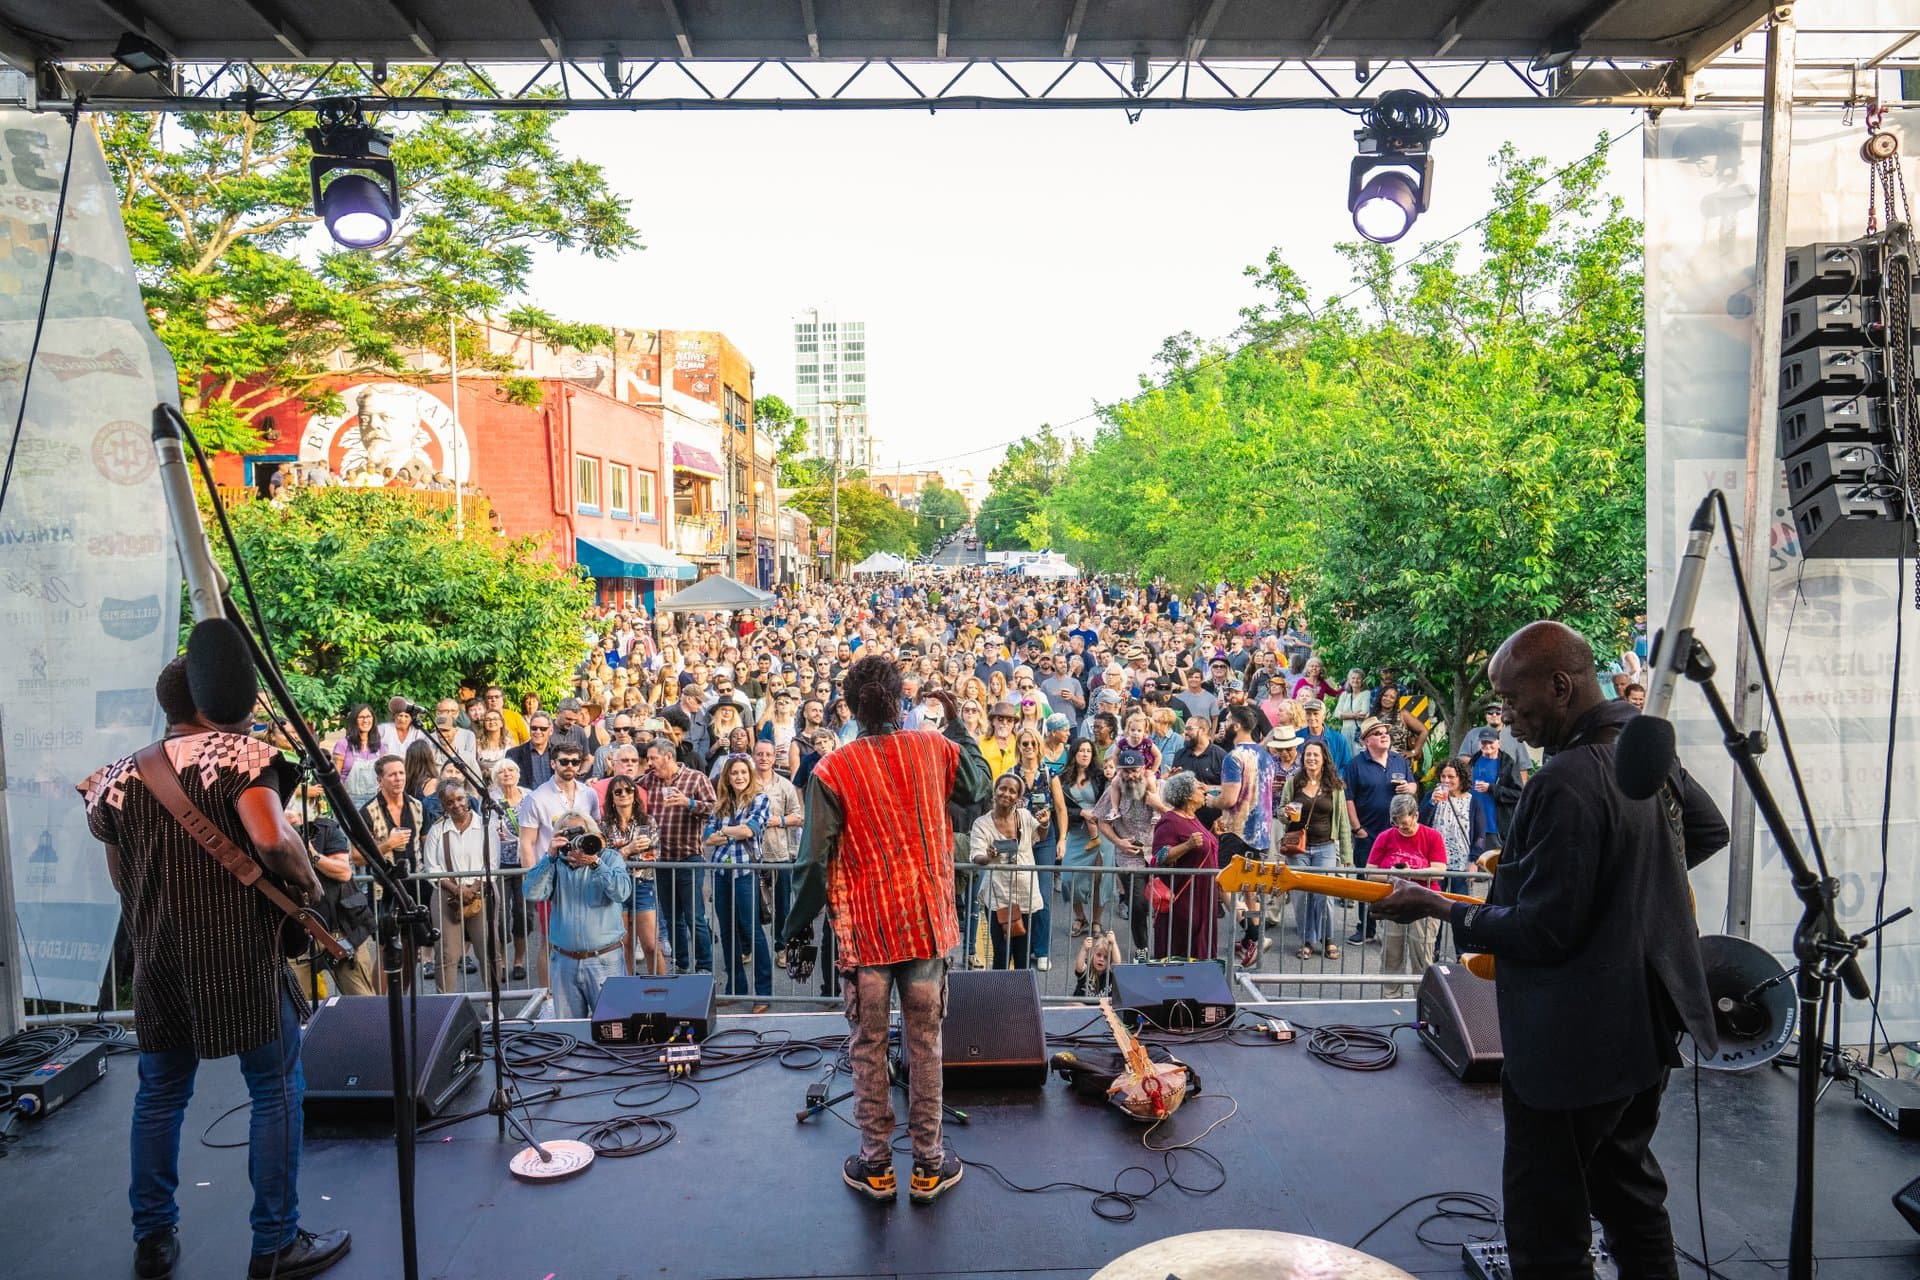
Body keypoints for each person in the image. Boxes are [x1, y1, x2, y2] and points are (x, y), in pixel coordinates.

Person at [1372, 620, 1730, 1278]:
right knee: (1628, 1193)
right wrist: (1622, 887)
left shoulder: (1563, 780)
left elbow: (1543, 931)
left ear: (1561, 686)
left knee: (1547, 1219)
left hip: (1576, 1043)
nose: (1507, 719)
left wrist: (1438, 904)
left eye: (1513, 700)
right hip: (1646, 1024)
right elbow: (1706, 829)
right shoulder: (1640, 748)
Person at [85, 655, 349, 1280]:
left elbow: (121, 877)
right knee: (276, 1091)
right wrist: (308, 882)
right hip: (239, 956)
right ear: (216, 694)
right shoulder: (242, 758)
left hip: (160, 958)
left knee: (159, 1095)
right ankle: (275, 1244)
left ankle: (152, 1240)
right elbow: (270, 838)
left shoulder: (116, 776)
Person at [778, 660, 990, 1204]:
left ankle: (876, 1167)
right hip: (923, 927)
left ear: (849, 704)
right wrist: (958, 724)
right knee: (925, 1045)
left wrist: (793, 928)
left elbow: (812, 861)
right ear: (901, 702)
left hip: (866, 934)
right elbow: (978, 785)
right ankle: (928, 1165)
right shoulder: (933, 747)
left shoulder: (831, 769)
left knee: (867, 1047)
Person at [523, 810, 631, 1018]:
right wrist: (549, 857)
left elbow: (622, 892)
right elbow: (531, 892)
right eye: (569, 835)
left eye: (579, 834)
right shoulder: (554, 863)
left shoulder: (609, 858)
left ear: (592, 834)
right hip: (565, 962)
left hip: (604, 960)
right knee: (570, 1032)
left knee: (613, 1025)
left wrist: (595, 864)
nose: (575, 842)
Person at [639, 737, 717, 976]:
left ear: (669, 757)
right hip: (661, 860)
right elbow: (622, 788)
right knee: (673, 918)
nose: (649, 763)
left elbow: (715, 808)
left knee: (695, 916)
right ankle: (682, 965)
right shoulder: (648, 780)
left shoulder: (695, 778)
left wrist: (689, 802)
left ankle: (704, 967)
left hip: (689, 857)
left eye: (653, 758)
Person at [703, 754, 774, 1010]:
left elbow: (749, 830)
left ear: (750, 774)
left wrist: (723, 833)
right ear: (728, 777)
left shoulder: (760, 799)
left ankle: (764, 993)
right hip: (722, 873)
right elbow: (707, 837)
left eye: (743, 772)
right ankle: (736, 986)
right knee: (727, 931)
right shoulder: (721, 803)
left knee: (753, 932)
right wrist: (727, 833)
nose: (739, 777)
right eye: (734, 773)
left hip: (746, 873)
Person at [1342, 717, 1417, 946]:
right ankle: (1366, 928)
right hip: (1369, 833)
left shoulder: (1398, 760)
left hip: (1397, 833)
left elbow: (1413, 785)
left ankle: (1392, 930)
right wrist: (1357, 828)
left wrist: (1409, 788)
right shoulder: (1356, 764)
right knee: (1367, 882)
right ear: (1366, 741)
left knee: (1397, 879)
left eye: (1385, 732)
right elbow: (1349, 799)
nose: (1384, 735)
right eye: (1377, 733)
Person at [421, 779, 501, 992]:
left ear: (467, 798)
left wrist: (473, 889)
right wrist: (457, 889)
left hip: (481, 892)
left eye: (460, 799)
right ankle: (446, 1004)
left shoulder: (485, 826)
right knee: (446, 952)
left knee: (488, 949)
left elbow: (491, 863)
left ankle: (493, 1003)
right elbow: (432, 868)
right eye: (450, 801)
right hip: (446, 893)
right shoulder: (437, 831)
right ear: (443, 805)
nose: (456, 805)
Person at [1366, 794, 1446, 998]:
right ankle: (1389, 999)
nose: (1401, 828)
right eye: (1396, 824)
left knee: (1422, 956)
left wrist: (1412, 873)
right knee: (1391, 955)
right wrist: (1392, 875)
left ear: (1416, 815)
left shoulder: (1432, 836)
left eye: (1405, 824)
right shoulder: (1385, 836)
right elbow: (1369, 871)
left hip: (1425, 905)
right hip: (1393, 903)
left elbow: (1439, 871)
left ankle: (1424, 1000)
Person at [1277, 739, 1351, 960]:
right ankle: (1307, 940)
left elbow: (1343, 820)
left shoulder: (1335, 786)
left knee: (1324, 895)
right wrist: (1286, 812)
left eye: (1315, 755)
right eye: (1308, 755)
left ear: (1324, 759)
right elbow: (1280, 811)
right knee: (1302, 897)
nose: (1311, 758)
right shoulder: (1293, 782)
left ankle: (1328, 939)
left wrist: (1346, 854)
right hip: (1297, 848)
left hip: (1325, 847)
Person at [1216, 705, 1277, 967]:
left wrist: (1209, 801)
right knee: (1250, 889)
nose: (1224, 725)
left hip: (1238, 830)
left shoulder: (1234, 757)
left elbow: (1229, 798)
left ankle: (1255, 934)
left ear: (1237, 726)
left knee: (1222, 883)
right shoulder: (1266, 755)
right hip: (1262, 832)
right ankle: (1252, 939)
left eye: (1228, 720)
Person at [1090, 747, 1163, 961]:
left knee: (1164, 905)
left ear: (1144, 769)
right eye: (1126, 771)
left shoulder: (1158, 786)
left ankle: (1166, 948)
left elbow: (1177, 816)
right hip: (1129, 857)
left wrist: (1158, 805)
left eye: (1135, 770)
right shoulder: (1114, 789)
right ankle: (1142, 948)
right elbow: (1101, 820)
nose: (1131, 776)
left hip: (1159, 854)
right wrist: (1118, 842)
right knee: (1138, 904)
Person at [969, 772, 1044, 970]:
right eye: (1003, 788)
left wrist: (1044, 823)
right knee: (1001, 955)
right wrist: (989, 857)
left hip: (1027, 895)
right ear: (994, 792)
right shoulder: (982, 824)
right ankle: (999, 999)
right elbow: (977, 857)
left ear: (1018, 798)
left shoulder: (1025, 817)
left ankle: (1022, 999)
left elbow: (1040, 836)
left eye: (1013, 791)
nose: (1007, 794)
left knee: (1023, 957)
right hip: (999, 897)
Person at [1148, 771, 1220, 961]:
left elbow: (1200, 850)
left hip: (1204, 895)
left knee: (1199, 948)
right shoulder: (1170, 821)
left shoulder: (1193, 818)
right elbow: (1159, 856)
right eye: (1199, 787)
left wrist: (1213, 833)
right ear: (1187, 794)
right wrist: (1186, 845)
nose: (1204, 791)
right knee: (1183, 948)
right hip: (1184, 899)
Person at [600, 772, 662, 975]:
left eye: (629, 790)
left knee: (651, 945)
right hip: (617, 887)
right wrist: (629, 849)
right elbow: (605, 861)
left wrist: (622, 853)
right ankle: (628, 995)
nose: (624, 794)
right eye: (618, 791)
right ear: (611, 797)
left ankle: (663, 991)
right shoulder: (604, 825)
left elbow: (653, 856)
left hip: (643, 884)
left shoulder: (648, 822)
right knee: (623, 946)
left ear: (635, 794)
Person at [1058, 738, 1110, 937]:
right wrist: (1080, 813)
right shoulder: (1063, 778)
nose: (1085, 754)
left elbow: (1111, 797)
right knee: (1069, 879)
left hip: (1101, 834)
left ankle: (1097, 921)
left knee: (1100, 879)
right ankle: (1080, 917)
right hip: (1076, 832)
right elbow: (1059, 808)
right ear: (1074, 754)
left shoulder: (1100, 776)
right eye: (1081, 750)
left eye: (1088, 750)